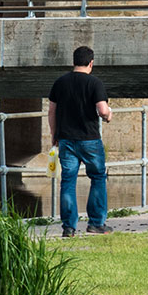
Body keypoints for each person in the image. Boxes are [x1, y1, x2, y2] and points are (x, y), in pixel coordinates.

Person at [50, 46, 114, 237]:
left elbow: (52, 111)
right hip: (90, 140)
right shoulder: (95, 83)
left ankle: (69, 227)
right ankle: (96, 223)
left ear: (73, 61)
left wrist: (55, 135)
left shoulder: (60, 83)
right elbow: (102, 110)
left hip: (66, 140)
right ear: (91, 63)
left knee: (68, 182)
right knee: (97, 177)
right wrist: (108, 116)